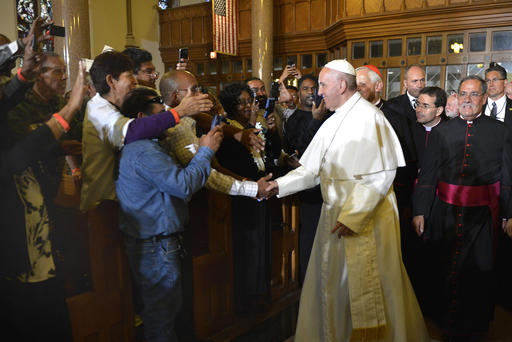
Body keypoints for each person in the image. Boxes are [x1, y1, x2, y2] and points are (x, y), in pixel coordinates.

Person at [265, 59, 429, 341]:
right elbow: (311, 171)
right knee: (333, 283)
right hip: (336, 213)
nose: (319, 92)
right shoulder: (335, 118)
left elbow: (382, 174)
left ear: (341, 85)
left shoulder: (370, 117)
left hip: (365, 216)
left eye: (323, 85)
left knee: (369, 286)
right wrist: (275, 186)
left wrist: (354, 215)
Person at [116, 87, 223, 342]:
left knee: (164, 314)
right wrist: (206, 150)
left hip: (156, 243)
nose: (166, 111)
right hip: (155, 245)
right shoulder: (143, 150)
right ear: (142, 117)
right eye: (158, 104)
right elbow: (183, 184)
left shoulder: (150, 146)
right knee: (161, 317)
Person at [412, 76, 512, 340]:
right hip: (444, 212)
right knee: (444, 266)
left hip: (483, 215)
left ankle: (475, 326)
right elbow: (428, 174)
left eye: (474, 94)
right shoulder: (443, 131)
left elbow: (508, 175)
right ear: (457, 97)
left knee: (478, 271)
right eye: (463, 94)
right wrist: (420, 210)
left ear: (484, 97)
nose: (468, 99)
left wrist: (508, 213)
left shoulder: (501, 131)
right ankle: (443, 321)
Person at [80, 51, 213, 211]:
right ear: (111, 81)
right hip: (102, 206)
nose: (134, 81)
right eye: (129, 76)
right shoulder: (99, 109)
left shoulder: (113, 105)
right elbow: (132, 130)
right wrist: (180, 111)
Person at [157, 70, 271, 198]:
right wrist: (251, 188)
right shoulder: (177, 126)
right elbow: (202, 173)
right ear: (175, 95)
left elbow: (206, 120)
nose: (201, 94)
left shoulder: (189, 116)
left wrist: (241, 134)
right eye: (194, 90)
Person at [216, 83, 279, 313]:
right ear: (231, 105)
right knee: (247, 248)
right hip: (241, 196)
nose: (247, 106)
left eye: (249, 101)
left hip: (260, 192)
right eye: (241, 102)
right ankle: (247, 299)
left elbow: (268, 154)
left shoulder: (251, 127)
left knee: (261, 244)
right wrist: (252, 185)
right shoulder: (227, 130)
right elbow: (227, 165)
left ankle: (262, 291)